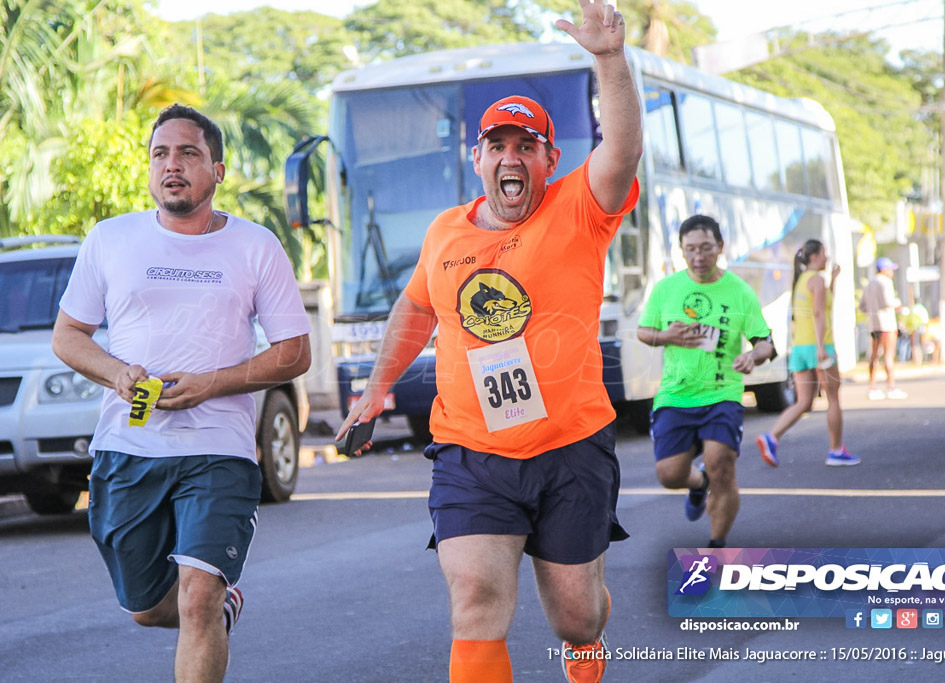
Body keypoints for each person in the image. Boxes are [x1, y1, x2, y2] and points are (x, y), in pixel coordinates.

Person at [336, 2, 642, 681]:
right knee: (475, 599)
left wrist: (610, 59)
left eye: (525, 145)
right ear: (477, 157)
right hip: (472, 452)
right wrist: (376, 390)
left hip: (570, 446)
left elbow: (621, 150)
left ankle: (586, 640)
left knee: (575, 614)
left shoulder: (580, 209)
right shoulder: (445, 232)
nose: (512, 156)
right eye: (498, 145)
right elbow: (415, 311)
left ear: (549, 158)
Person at [52, 104, 311, 682]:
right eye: (161, 154)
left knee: (197, 599)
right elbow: (69, 337)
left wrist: (211, 385)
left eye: (189, 153)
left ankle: (212, 604)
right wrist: (116, 372)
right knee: (148, 609)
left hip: (220, 449)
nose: (172, 165)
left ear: (217, 171)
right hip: (128, 447)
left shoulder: (255, 245)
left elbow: (295, 352)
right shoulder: (111, 239)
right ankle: (221, 608)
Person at [637, 215, 776, 548]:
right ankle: (697, 483)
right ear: (681, 251)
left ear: (720, 247)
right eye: (690, 250)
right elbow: (643, 332)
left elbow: (766, 342)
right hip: (676, 395)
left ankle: (716, 546)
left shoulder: (740, 291)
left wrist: (752, 356)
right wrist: (665, 336)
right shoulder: (666, 289)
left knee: (722, 466)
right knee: (669, 475)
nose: (698, 257)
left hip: (722, 394)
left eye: (705, 248)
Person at [755, 239, 860, 467]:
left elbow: (818, 305)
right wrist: (822, 346)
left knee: (804, 402)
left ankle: (771, 437)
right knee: (833, 398)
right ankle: (836, 450)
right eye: (824, 254)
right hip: (819, 347)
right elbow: (820, 314)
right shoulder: (816, 281)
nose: (826, 258)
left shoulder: (802, 280)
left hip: (800, 348)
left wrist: (833, 280)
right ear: (814, 256)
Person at [860, 256, 906, 399]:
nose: (892, 272)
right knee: (888, 355)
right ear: (884, 270)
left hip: (874, 325)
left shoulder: (869, 284)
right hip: (887, 323)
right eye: (891, 269)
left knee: (874, 355)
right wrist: (897, 303)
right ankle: (891, 387)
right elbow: (888, 301)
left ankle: (872, 387)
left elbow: (862, 306)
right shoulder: (886, 282)